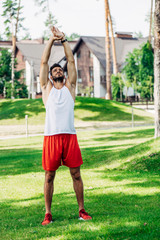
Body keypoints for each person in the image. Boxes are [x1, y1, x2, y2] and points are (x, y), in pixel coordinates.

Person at [39, 26, 92, 225]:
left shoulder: (70, 87)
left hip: (70, 136)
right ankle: (48, 213)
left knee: (76, 174)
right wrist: (52, 39)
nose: (58, 70)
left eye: (60, 69)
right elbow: (44, 61)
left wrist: (64, 40)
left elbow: (70, 60)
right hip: (51, 137)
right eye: (55, 70)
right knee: (49, 176)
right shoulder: (47, 89)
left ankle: (82, 210)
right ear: (51, 76)